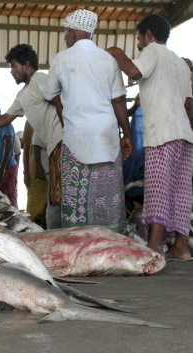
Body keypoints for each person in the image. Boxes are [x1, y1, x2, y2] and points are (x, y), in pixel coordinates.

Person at [106, 14, 193, 259]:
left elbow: (133, 70)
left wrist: (116, 51)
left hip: (162, 134)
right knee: (180, 191)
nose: (140, 44)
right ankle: (181, 247)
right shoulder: (180, 62)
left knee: (158, 188)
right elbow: (188, 104)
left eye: (139, 39)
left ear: (149, 35)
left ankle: (155, 245)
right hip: (184, 135)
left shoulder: (153, 50)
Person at [42, 9, 132, 232]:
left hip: (76, 138)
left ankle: (79, 247)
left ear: (72, 33)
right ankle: (111, 246)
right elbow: (119, 100)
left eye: (65, 33)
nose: (65, 37)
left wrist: (64, 110)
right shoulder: (107, 59)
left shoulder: (61, 59)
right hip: (107, 137)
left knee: (77, 202)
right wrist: (127, 135)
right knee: (107, 199)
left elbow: (49, 93)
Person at [0, 44, 62, 223]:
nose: (11, 71)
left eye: (14, 66)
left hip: (63, 144)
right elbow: (5, 118)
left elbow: (59, 102)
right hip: (53, 147)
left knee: (60, 198)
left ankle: (66, 236)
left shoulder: (40, 79)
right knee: (55, 198)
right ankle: (57, 234)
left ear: (27, 65)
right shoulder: (23, 94)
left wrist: (69, 134)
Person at [22, 121, 47, 223]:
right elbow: (26, 148)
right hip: (35, 173)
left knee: (50, 212)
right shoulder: (29, 121)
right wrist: (26, 173)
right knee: (33, 213)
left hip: (54, 172)